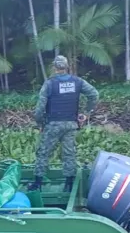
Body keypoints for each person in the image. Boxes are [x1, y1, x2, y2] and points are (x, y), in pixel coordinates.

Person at [29, 55, 99, 192]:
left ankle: (37, 183)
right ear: (67, 67)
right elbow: (94, 94)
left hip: (53, 124)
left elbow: (40, 108)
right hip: (71, 124)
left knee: (43, 152)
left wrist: (40, 123)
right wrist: (86, 112)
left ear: (55, 68)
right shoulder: (78, 82)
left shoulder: (49, 84)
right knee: (69, 153)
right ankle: (69, 184)